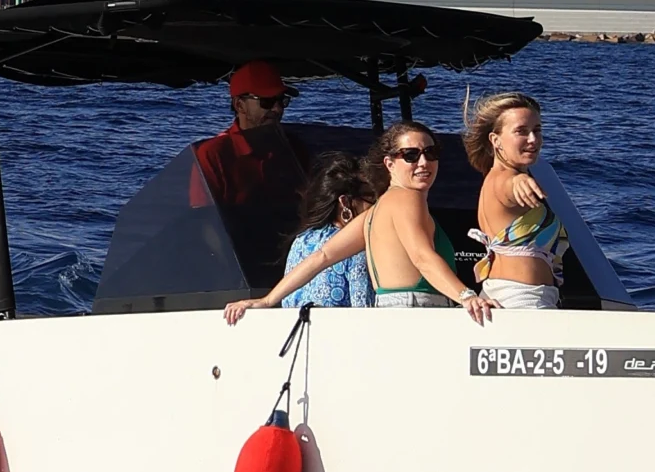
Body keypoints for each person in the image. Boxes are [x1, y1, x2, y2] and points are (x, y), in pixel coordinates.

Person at [225, 122, 496, 324]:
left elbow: (323, 256)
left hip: (389, 314)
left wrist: (268, 300)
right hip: (420, 313)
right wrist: (466, 296)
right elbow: (421, 257)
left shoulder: (376, 211)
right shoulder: (406, 199)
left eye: (431, 153)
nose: (424, 162)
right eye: (411, 155)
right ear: (389, 163)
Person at [191, 60, 310, 280]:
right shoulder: (214, 154)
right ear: (240, 105)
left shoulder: (293, 148)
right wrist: (231, 273)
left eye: (281, 101)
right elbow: (205, 223)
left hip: (290, 265)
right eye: (267, 102)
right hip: (240, 267)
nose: (277, 109)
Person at [463, 91, 568, 309]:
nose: (533, 139)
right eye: (521, 131)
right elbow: (509, 186)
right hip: (523, 299)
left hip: (506, 292)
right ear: (495, 140)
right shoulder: (505, 180)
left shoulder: (492, 178)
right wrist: (519, 180)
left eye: (537, 130)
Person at [280, 152, 376, 309]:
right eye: (371, 197)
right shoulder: (353, 249)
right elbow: (364, 310)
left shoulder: (301, 240)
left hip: (299, 323)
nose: (377, 207)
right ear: (345, 202)